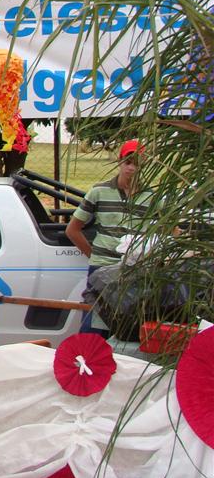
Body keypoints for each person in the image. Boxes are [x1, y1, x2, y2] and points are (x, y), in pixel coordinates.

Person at [66, 139, 153, 337]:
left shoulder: (153, 197)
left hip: (136, 271)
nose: (131, 168)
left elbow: (170, 232)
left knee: (130, 329)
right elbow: (73, 230)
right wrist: (94, 255)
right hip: (102, 268)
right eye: (128, 162)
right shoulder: (99, 191)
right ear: (120, 162)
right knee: (94, 328)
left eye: (137, 163)